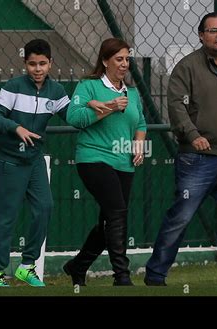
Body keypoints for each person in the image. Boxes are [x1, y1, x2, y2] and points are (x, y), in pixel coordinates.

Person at [144, 12, 217, 286]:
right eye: (213, 31)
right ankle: (155, 275)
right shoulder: (186, 67)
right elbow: (176, 106)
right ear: (201, 35)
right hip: (196, 159)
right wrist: (193, 135)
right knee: (180, 218)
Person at [0, 39, 70, 287]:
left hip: (34, 162)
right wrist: (16, 127)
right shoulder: (13, 86)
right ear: (25, 63)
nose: (38, 69)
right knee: (5, 217)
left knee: (45, 208)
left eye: (42, 63)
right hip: (9, 160)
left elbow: (74, 116)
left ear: (51, 63)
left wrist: (98, 107)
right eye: (32, 64)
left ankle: (26, 266)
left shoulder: (57, 92)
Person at [64, 38, 147, 286]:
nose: (124, 64)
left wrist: (139, 144)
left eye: (127, 59)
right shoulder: (88, 86)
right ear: (104, 61)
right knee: (117, 213)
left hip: (124, 161)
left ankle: (77, 266)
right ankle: (121, 275)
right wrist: (108, 107)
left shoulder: (131, 93)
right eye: (118, 59)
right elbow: (74, 118)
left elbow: (140, 123)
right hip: (93, 157)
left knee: (110, 221)